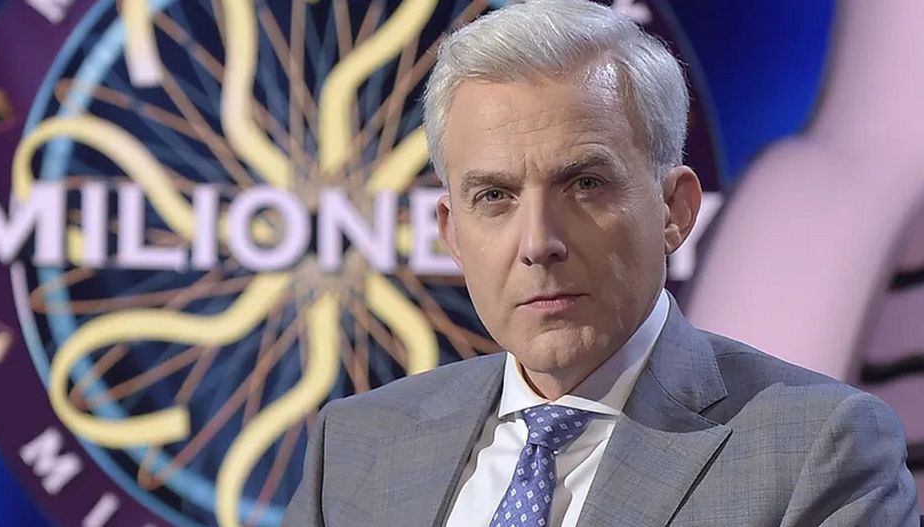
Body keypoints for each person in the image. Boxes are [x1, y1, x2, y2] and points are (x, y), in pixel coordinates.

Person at [283, 0, 920, 525]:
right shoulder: (353, 447)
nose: (538, 242)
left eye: (585, 185)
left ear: (674, 209)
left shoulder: (820, 448)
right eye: (495, 197)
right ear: (452, 232)